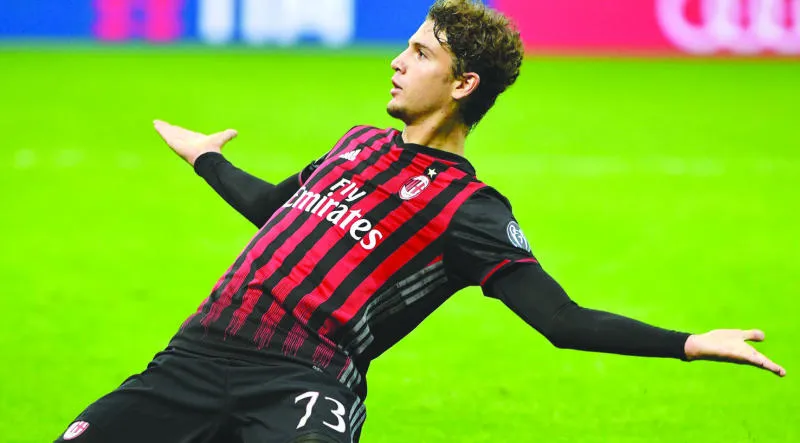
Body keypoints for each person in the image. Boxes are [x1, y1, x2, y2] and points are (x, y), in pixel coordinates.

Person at [56, 1, 785, 442]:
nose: (397, 61)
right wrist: (207, 159)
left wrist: (689, 343)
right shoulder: (357, 143)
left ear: (462, 83)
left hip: (302, 384)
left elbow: (562, 320)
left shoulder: (471, 211)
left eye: (419, 52)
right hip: (193, 357)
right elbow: (278, 211)